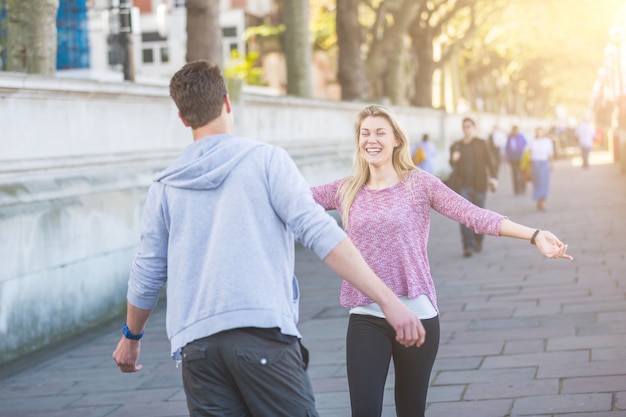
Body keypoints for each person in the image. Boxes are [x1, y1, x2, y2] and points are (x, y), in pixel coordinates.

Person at [111, 61, 426, 417]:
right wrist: (388, 300)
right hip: (261, 336)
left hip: (196, 348)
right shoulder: (266, 161)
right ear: (227, 103)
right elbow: (322, 234)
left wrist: (131, 338)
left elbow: (148, 271)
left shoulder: (165, 185)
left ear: (183, 118)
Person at [311, 104, 572, 417]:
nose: (372, 139)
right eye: (365, 133)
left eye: (380, 132)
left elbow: (474, 215)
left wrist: (534, 234)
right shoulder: (345, 189)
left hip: (417, 314)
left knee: (411, 410)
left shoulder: (420, 184)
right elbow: (288, 196)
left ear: (396, 139)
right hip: (367, 315)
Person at [449, 117, 498, 258]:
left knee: (479, 216)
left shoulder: (481, 144)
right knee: (464, 216)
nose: (467, 129)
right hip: (463, 186)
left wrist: (494, 178)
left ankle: (478, 239)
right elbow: (452, 165)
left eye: (469, 126)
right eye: (464, 127)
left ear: (474, 128)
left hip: (479, 186)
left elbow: (490, 162)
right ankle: (467, 246)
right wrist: (454, 159)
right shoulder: (456, 146)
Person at [528, 127, 554, 211]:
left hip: (543, 163)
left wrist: (551, 164)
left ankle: (542, 201)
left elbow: (550, 154)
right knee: (537, 183)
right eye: (538, 132)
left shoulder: (547, 141)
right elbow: (528, 152)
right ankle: (538, 200)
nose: (539, 134)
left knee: (544, 183)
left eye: (541, 132)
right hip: (535, 164)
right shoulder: (532, 141)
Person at [505, 125, 528, 195]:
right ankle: (516, 190)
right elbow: (507, 147)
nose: (515, 132)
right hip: (512, 158)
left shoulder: (521, 136)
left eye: (516, 130)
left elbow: (526, 143)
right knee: (514, 174)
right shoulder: (509, 137)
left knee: (521, 173)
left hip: (520, 157)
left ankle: (523, 187)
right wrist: (506, 156)